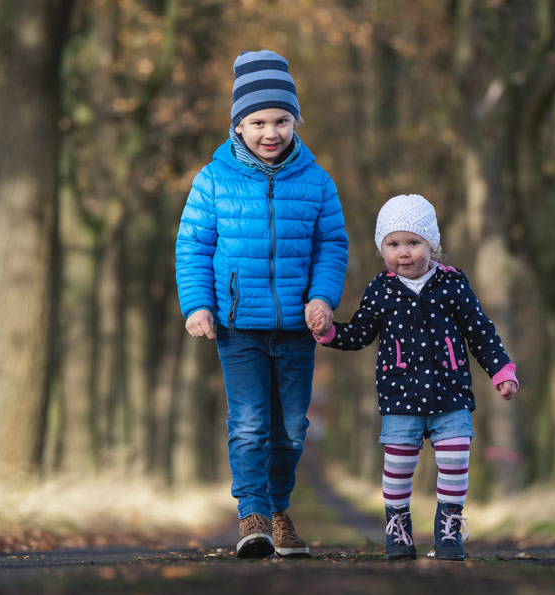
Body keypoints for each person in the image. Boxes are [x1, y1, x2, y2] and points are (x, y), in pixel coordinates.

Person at [176, 49, 349, 559]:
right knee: (250, 423)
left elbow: (331, 245)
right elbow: (193, 245)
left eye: (281, 120)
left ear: (296, 120)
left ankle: (277, 511)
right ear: (238, 125)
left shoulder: (316, 181)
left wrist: (321, 297)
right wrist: (197, 305)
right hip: (238, 325)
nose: (269, 132)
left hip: (297, 327)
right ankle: (251, 513)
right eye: (257, 122)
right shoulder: (213, 180)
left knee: (292, 429)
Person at [309, 194, 517, 561]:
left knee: (455, 463)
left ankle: (449, 527)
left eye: (413, 243)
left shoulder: (453, 285)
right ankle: (398, 527)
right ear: (381, 249)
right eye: (393, 244)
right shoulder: (380, 290)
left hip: (451, 393)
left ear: (432, 246)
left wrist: (501, 370)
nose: (403, 252)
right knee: (398, 468)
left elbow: (480, 331)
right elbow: (361, 333)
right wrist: (329, 334)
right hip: (399, 394)